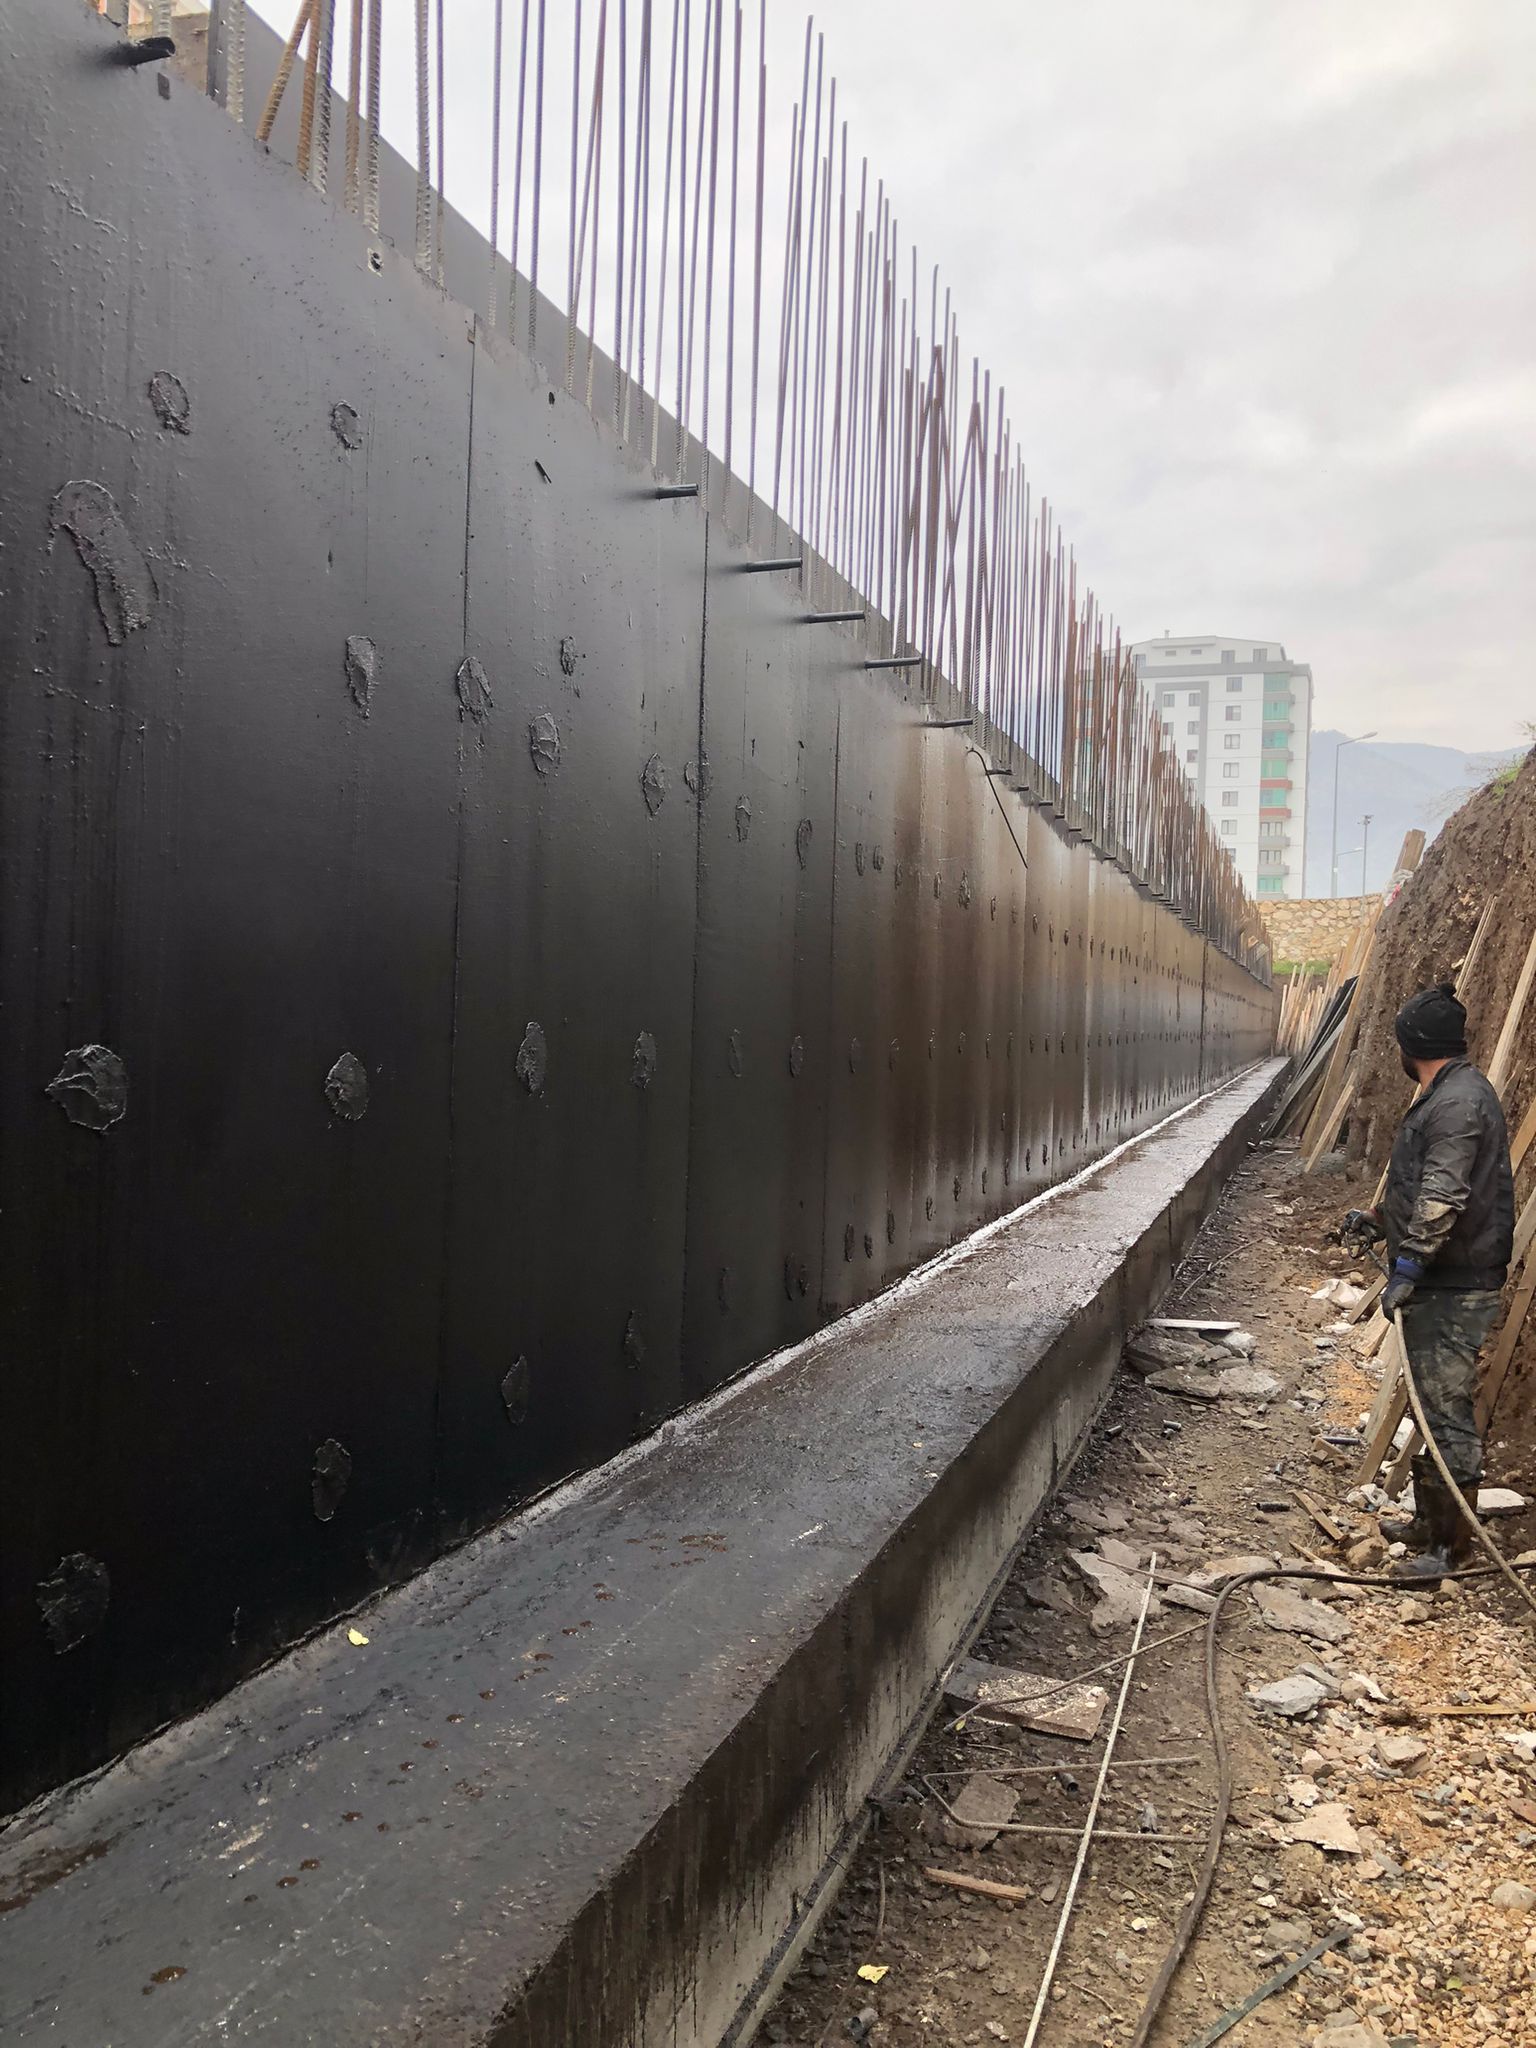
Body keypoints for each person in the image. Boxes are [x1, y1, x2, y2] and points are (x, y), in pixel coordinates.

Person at [1341, 982, 1514, 1578]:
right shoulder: (1447, 1093)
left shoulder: (1457, 1103)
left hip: (1454, 1283)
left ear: (1411, 1043)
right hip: (1445, 1275)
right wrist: (1378, 1220)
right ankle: (1428, 1522)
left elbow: (1444, 1195)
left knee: (1445, 1408)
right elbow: (1424, 1192)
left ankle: (1451, 1549)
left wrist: (1409, 1266)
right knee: (1427, 1402)